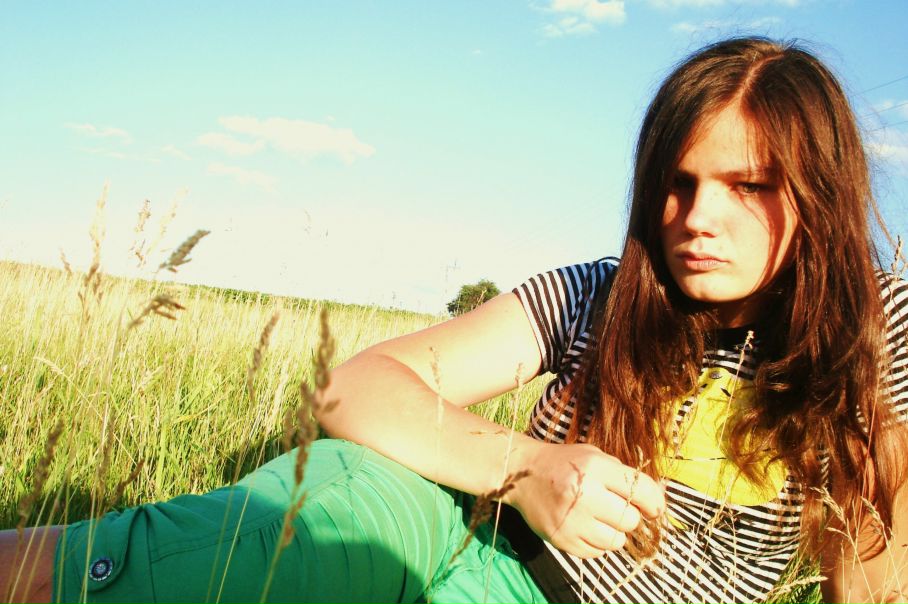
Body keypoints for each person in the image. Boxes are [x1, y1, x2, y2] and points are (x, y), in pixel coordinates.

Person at [2, 36, 907, 604]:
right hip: (449, 526)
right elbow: (347, 389)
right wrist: (527, 468)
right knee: (191, 557)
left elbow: (876, 558)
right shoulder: (596, 294)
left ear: (818, 193)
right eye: (676, 182)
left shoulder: (877, 326)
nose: (696, 217)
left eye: (747, 185)